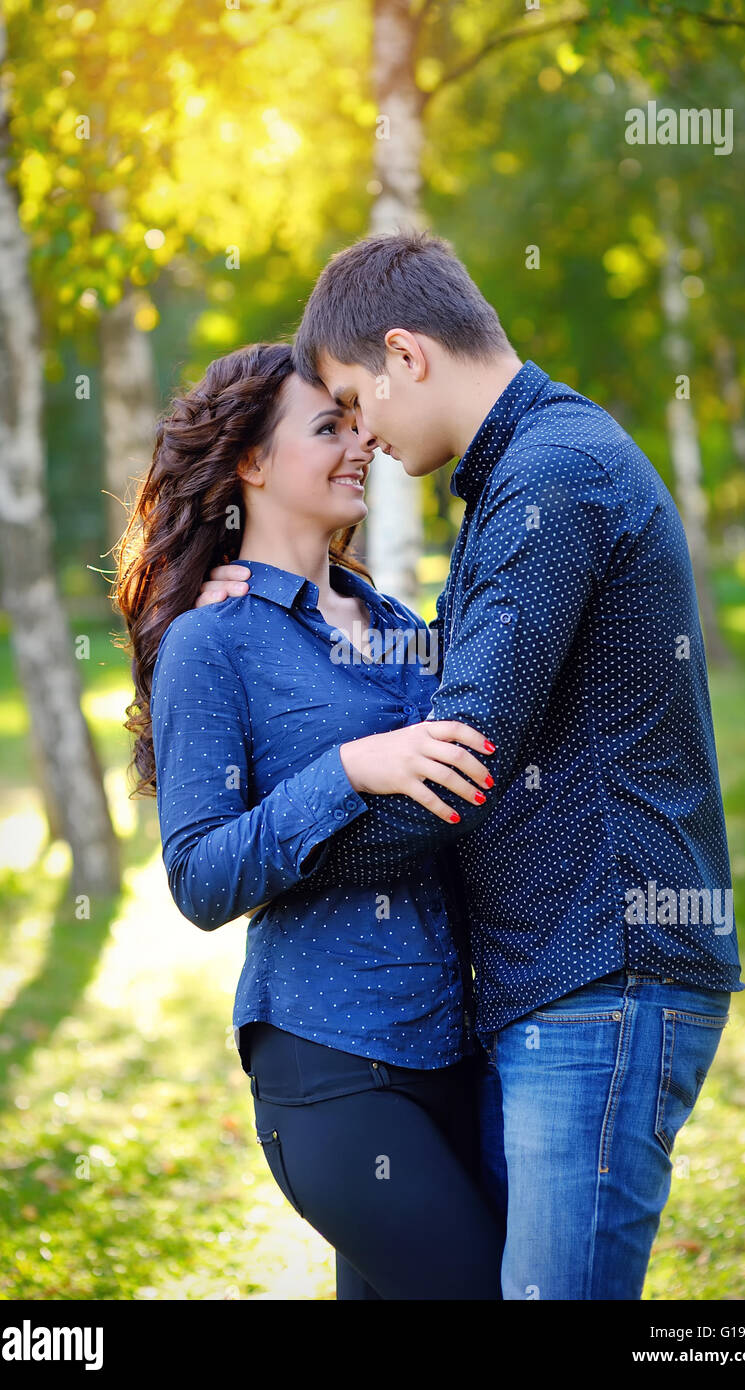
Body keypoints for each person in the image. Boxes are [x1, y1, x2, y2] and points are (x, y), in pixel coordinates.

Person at [196, 229, 745, 1301]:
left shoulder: (553, 477)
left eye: (356, 401)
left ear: (406, 354)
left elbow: (458, 761)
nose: (362, 437)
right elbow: (449, 688)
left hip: (603, 970)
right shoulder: (524, 477)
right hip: (555, 979)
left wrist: (274, 858)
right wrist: (273, 606)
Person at [112, 340, 506, 1300]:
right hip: (330, 1067)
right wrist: (346, 770)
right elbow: (200, 878)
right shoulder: (213, 642)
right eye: (327, 426)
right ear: (249, 462)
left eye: (356, 421)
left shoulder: (408, 629)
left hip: (458, 1050)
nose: (360, 440)